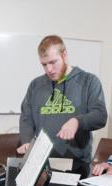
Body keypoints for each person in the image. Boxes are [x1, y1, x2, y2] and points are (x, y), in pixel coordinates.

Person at [18, 35, 107, 178]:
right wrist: (27, 141)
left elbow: (100, 115)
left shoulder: (89, 81)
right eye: (44, 64)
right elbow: (26, 118)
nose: (49, 70)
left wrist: (77, 121)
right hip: (42, 165)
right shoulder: (35, 85)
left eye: (53, 62)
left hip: (77, 165)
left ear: (64, 55)